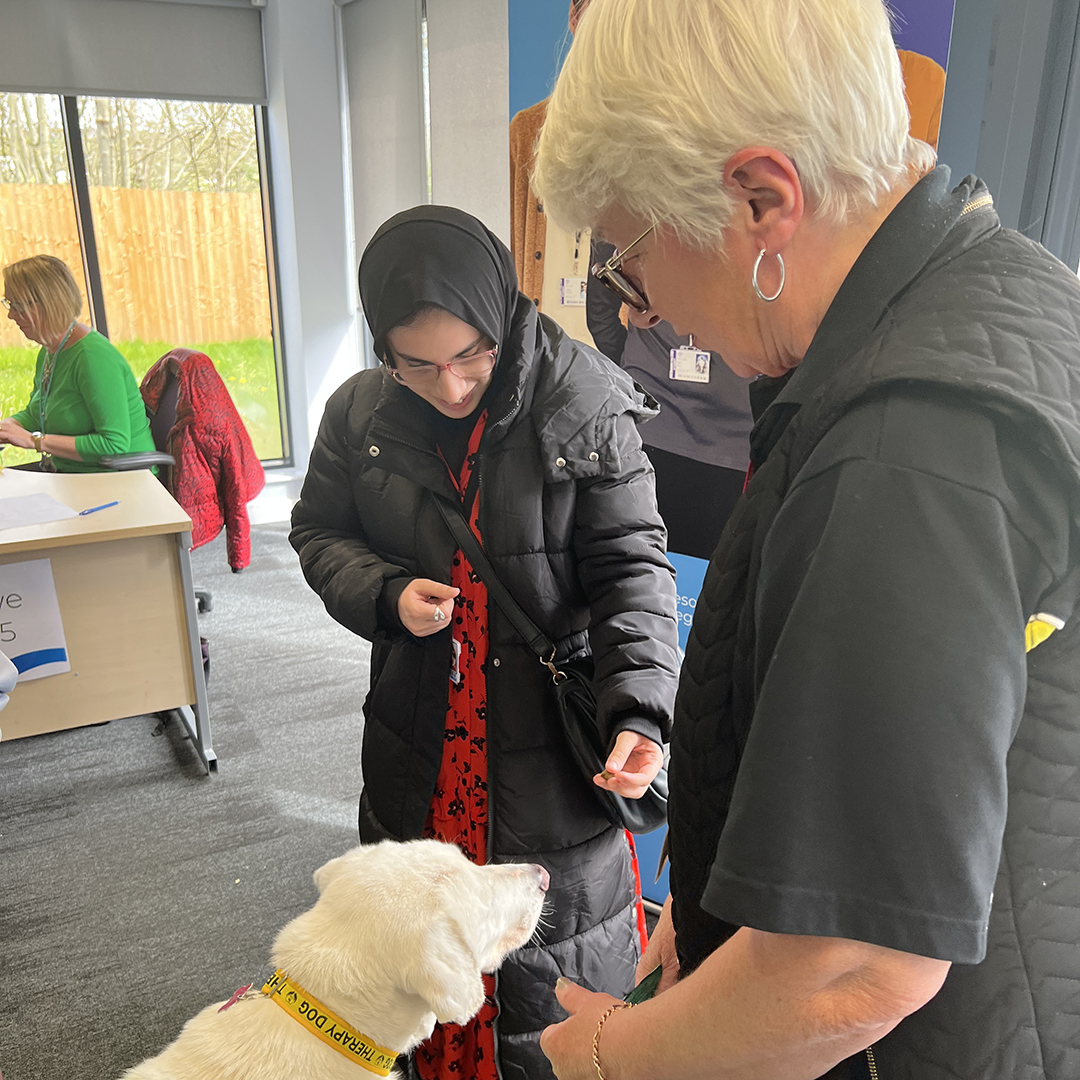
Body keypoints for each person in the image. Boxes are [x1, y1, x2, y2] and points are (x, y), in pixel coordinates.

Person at [532, 1, 1080, 1079]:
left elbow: (852, 966)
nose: (640, 313)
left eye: (630, 261)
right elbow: (884, 753)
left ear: (760, 199)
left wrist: (610, 1054)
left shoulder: (908, 449)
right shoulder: (999, 285)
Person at [290, 206, 680, 1080]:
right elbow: (318, 532)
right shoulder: (362, 412)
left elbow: (633, 573)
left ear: (502, 313)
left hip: (548, 739)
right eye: (417, 363)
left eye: (472, 355)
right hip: (422, 732)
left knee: (550, 979)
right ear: (381, 346)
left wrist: (643, 712)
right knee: (420, 956)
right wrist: (386, 594)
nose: (452, 385)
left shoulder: (583, 400)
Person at [0, 255, 154, 472]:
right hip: (73, 475)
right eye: (8, 304)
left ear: (47, 305)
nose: (11, 315)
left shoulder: (93, 358)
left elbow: (114, 444)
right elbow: (38, 413)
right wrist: (9, 427)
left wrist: (35, 441)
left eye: (16, 306)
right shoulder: (51, 350)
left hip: (120, 481)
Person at [509, 0, 595, 346]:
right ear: (575, 17)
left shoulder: (649, 129)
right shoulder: (527, 130)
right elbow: (518, 242)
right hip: (546, 335)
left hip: (616, 343)